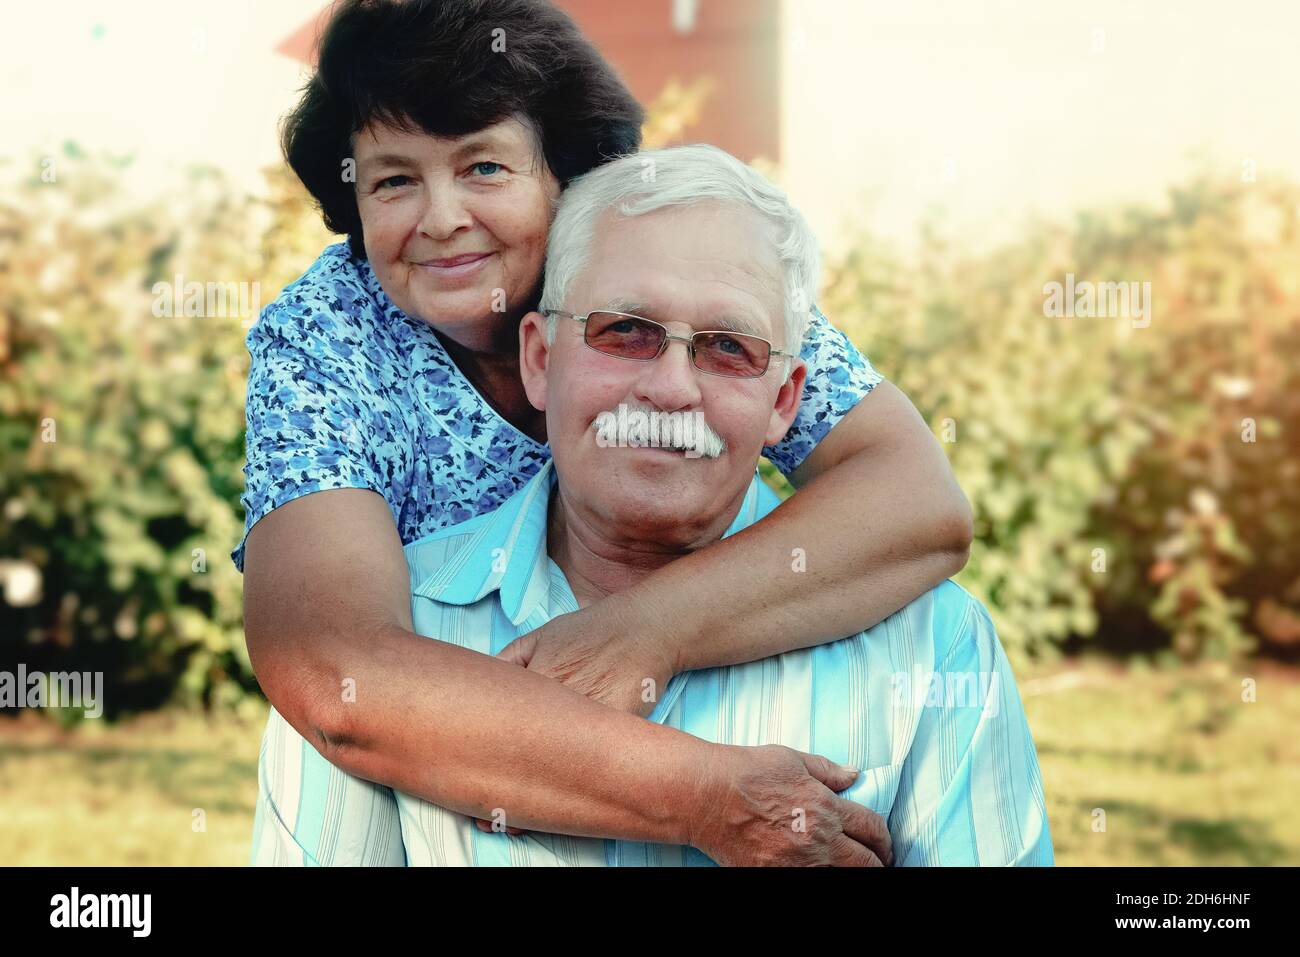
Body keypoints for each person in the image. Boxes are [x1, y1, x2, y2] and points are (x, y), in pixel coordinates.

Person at [242, 0, 974, 866]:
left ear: (566, 177)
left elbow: (918, 501)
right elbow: (334, 669)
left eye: (483, 167)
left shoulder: (656, 262)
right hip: (448, 783)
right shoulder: (330, 334)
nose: (439, 219)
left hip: (704, 684)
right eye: (394, 180)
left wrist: (647, 630)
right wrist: (705, 796)